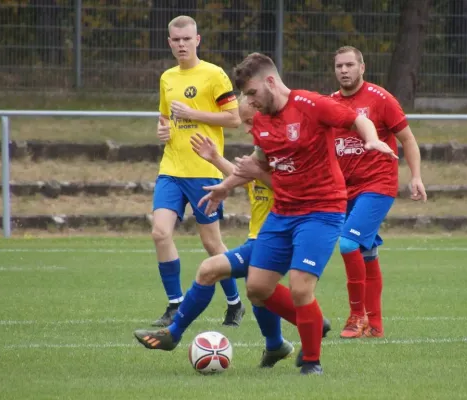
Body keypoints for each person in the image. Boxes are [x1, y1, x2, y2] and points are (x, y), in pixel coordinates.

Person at [198, 52, 397, 375]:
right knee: (257, 287)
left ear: (271, 82)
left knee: (301, 287)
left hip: (322, 209)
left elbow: (357, 119)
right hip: (283, 211)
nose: (249, 102)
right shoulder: (261, 121)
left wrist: (372, 139)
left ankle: (311, 363)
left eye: (251, 93)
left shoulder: (311, 104)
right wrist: (225, 187)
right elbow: (259, 164)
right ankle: (315, 324)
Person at [134, 98, 331, 368]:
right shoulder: (261, 154)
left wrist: (248, 172)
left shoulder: (288, 156)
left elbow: (292, 190)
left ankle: (174, 332)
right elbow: (246, 177)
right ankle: (280, 342)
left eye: (250, 121)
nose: (249, 128)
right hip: (259, 239)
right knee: (258, 291)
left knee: (209, 270)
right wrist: (216, 160)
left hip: (283, 237)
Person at [150, 15, 245, 328]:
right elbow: (164, 119)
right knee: (160, 232)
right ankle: (175, 303)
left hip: (205, 170)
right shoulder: (167, 77)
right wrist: (162, 131)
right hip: (171, 168)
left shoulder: (214, 75)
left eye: (186, 39)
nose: (181, 44)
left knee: (212, 245)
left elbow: (234, 119)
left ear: (197, 40)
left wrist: (193, 113)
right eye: (176, 40)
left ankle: (235, 303)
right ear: (169, 42)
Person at [330, 46, 427, 339]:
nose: (344, 71)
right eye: (339, 66)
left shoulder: (381, 99)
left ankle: (357, 316)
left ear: (362, 67)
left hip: (378, 184)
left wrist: (416, 177)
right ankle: (376, 324)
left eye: (349, 65)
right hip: (343, 189)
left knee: (348, 244)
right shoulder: (330, 103)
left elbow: (408, 139)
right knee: (367, 252)